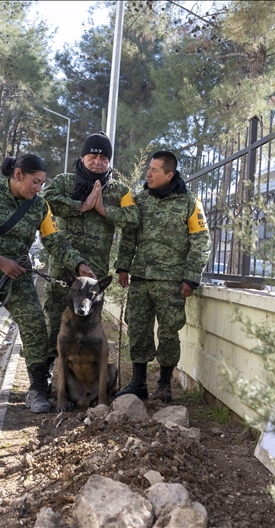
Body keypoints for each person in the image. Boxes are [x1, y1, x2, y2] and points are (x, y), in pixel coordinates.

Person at [0, 154, 96, 415]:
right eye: (35, 182)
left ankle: (36, 391)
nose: (38, 188)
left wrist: (78, 264)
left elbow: (54, 240)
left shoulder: (40, 206)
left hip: (17, 277)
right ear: (18, 174)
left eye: (42, 183)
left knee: (35, 324)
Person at [114, 151, 211, 402]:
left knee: (168, 333)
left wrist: (191, 277)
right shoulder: (140, 199)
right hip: (141, 278)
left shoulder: (190, 202)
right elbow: (129, 235)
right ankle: (138, 383)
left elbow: (201, 242)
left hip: (171, 282)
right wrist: (123, 266)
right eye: (148, 168)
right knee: (137, 329)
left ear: (170, 175)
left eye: (155, 170)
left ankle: (164, 386)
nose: (148, 174)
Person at [40, 132, 138, 378]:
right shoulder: (64, 182)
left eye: (104, 157)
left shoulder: (119, 191)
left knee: (89, 322)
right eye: (93, 155)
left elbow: (134, 219)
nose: (98, 161)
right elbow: (47, 202)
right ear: (82, 157)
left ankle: (82, 376)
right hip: (64, 266)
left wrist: (105, 210)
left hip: (95, 272)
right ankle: (47, 372)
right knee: (54, 317)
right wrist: (81, 206)